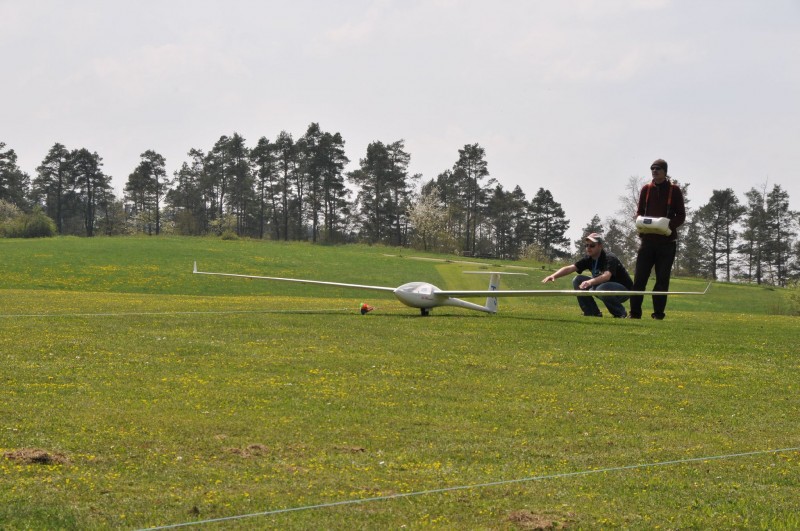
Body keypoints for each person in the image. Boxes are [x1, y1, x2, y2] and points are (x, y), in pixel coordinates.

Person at [628, 158, 686, 320]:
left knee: (662, 280)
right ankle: (634, 313)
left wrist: (667, 226)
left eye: (658, 168)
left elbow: (681, 215)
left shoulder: (674, 190)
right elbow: (639, 212)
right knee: (639, 279)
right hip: (647, 242)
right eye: (652, 169)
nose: (654, 171)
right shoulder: (646, 189)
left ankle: (658, 315)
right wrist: (640, 221)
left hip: (667, 243)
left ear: (665, 172)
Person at [542, 232, 632, 318]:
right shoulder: (588, 258)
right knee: (577, 280)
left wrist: (589, 282)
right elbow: (570, 268)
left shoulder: (609, 257)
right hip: (602, 287)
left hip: (624, 290)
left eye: (592, 245)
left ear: (600, 246)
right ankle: (592, 312)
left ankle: (620, 313)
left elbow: (606, 276)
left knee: (601, 288)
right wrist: (553, 276)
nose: (588, 248)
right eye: (587, 245)